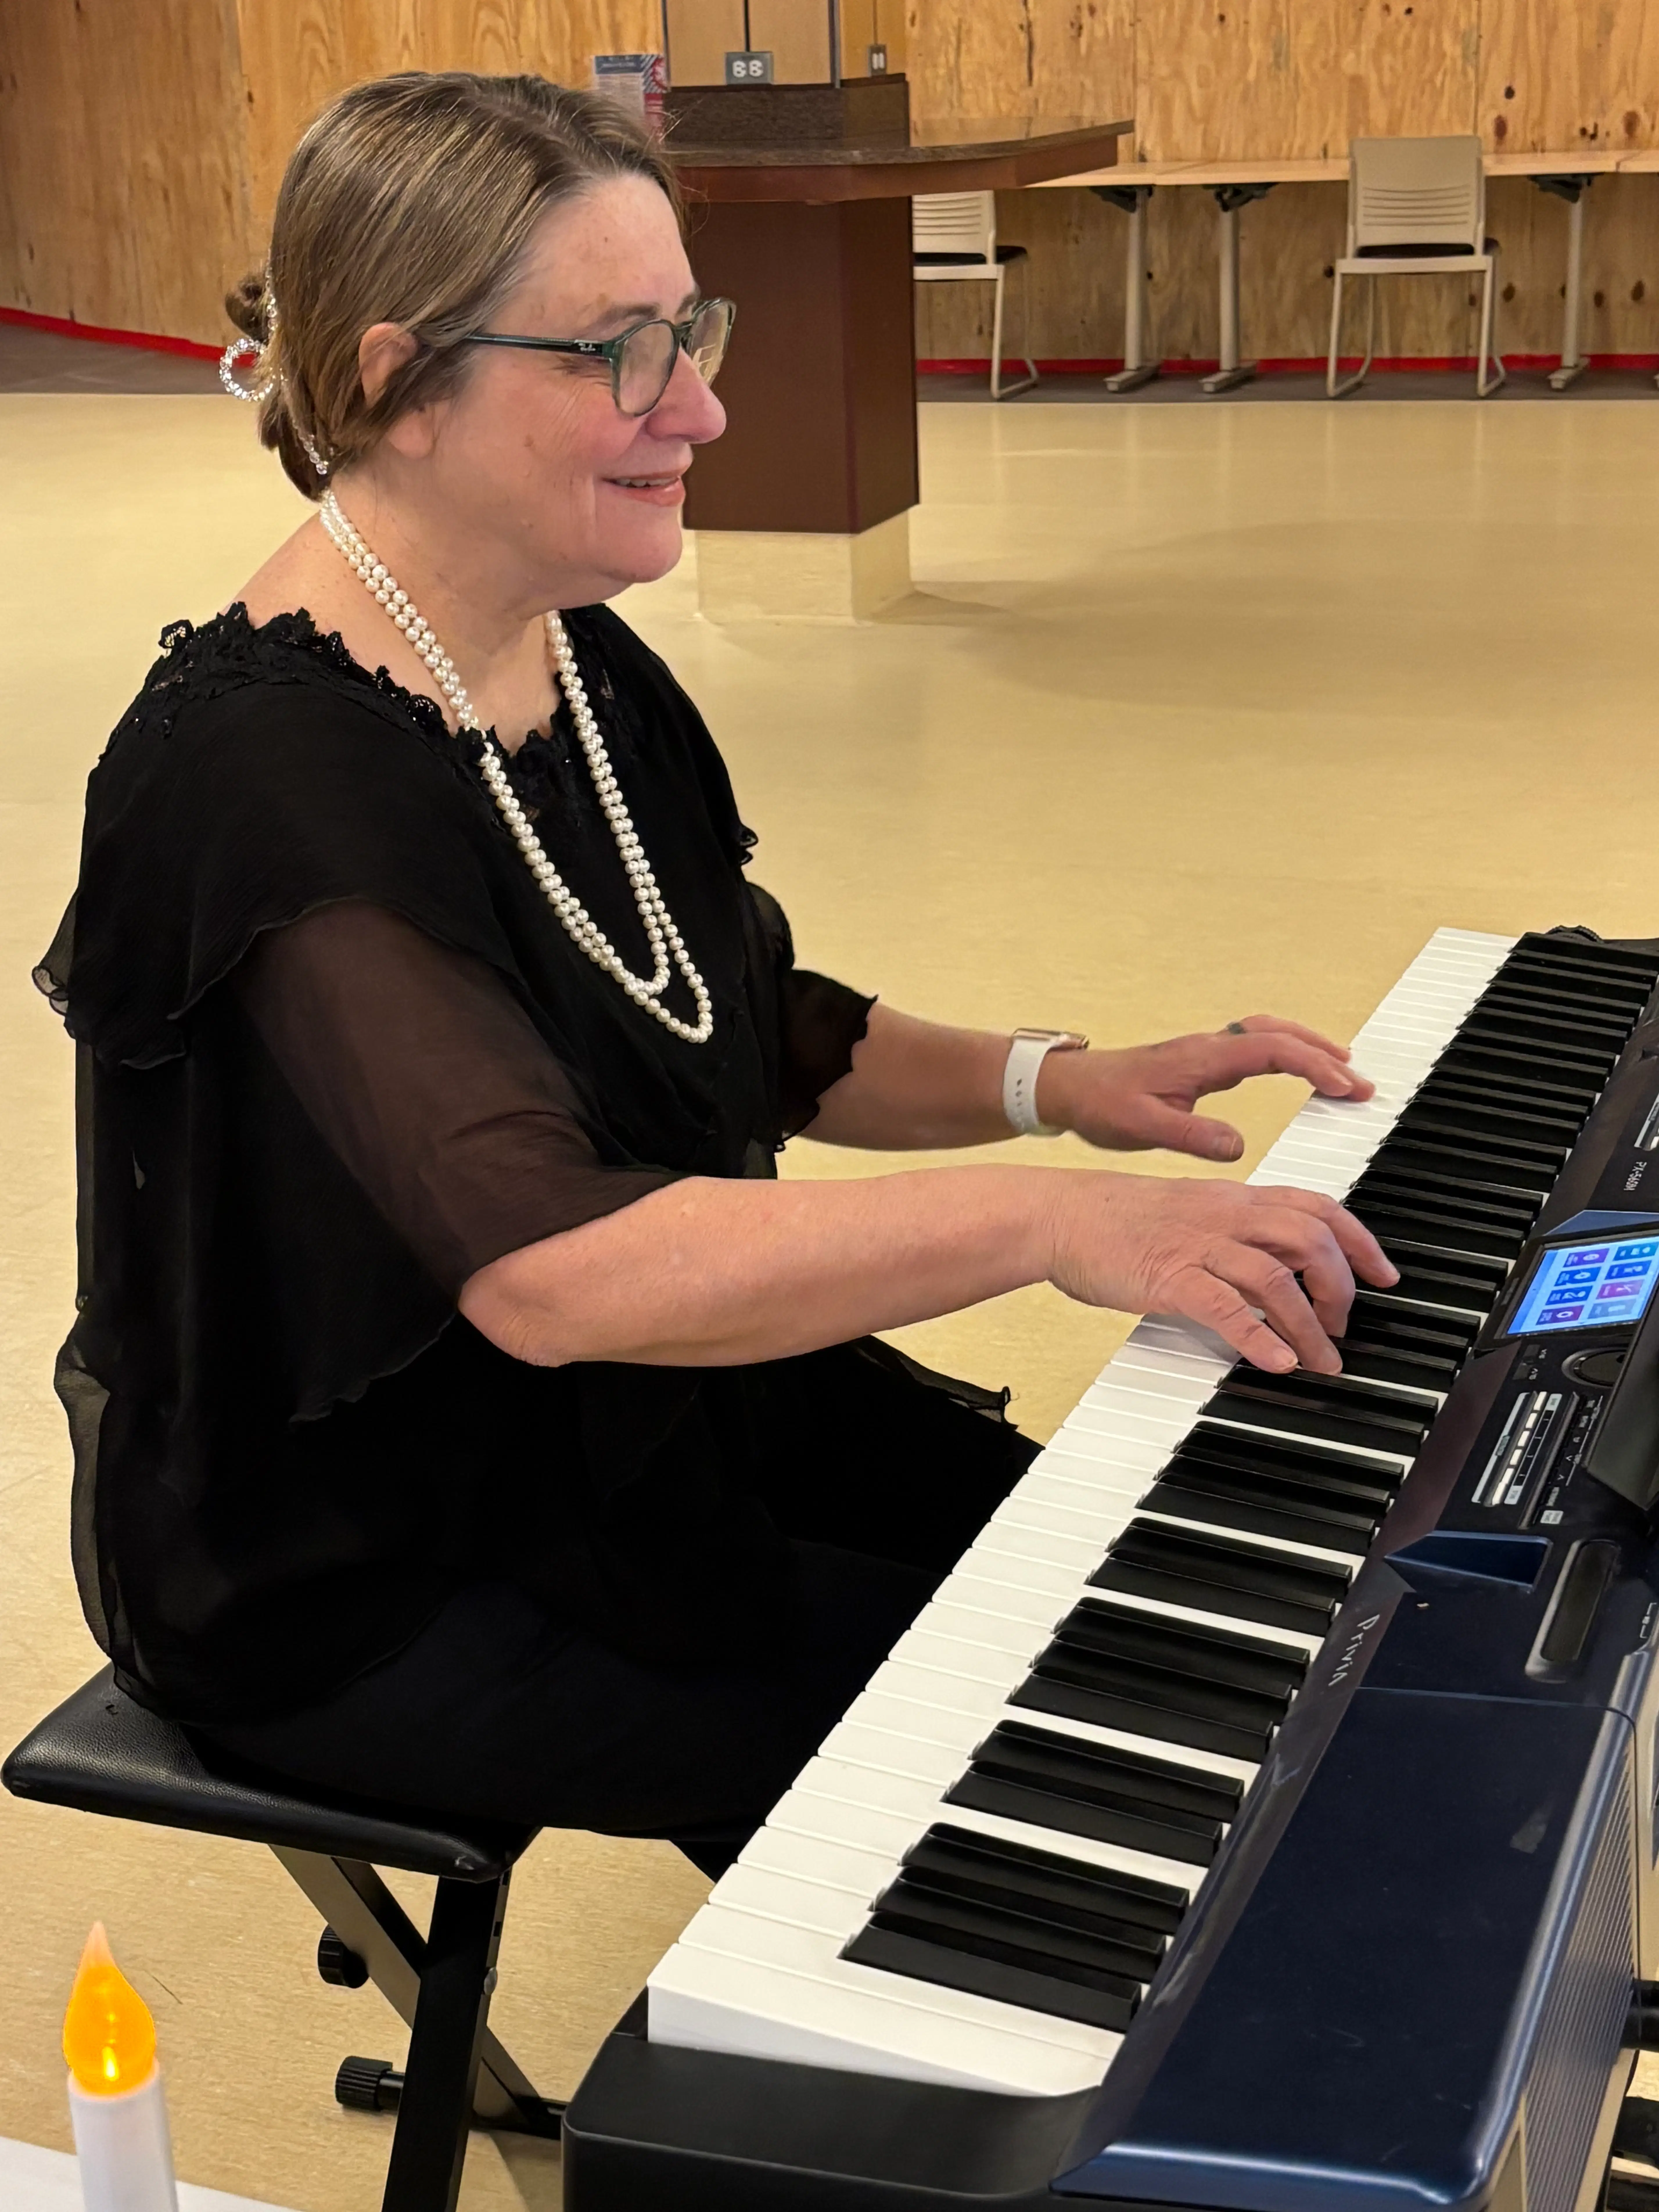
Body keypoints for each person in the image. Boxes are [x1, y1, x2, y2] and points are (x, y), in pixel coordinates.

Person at [39, 72, 1394, 1877]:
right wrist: (1055, 1222)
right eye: (618, 353)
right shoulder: (267, 780)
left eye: (692, 331)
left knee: (1113, 1575)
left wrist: (1060, 1082)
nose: (704, 406)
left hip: (640, 1417)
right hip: (368, 1560)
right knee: (1043, 1727)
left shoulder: (570, 658)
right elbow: (546, 1266)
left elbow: (733, 1023)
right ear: (389, 380)